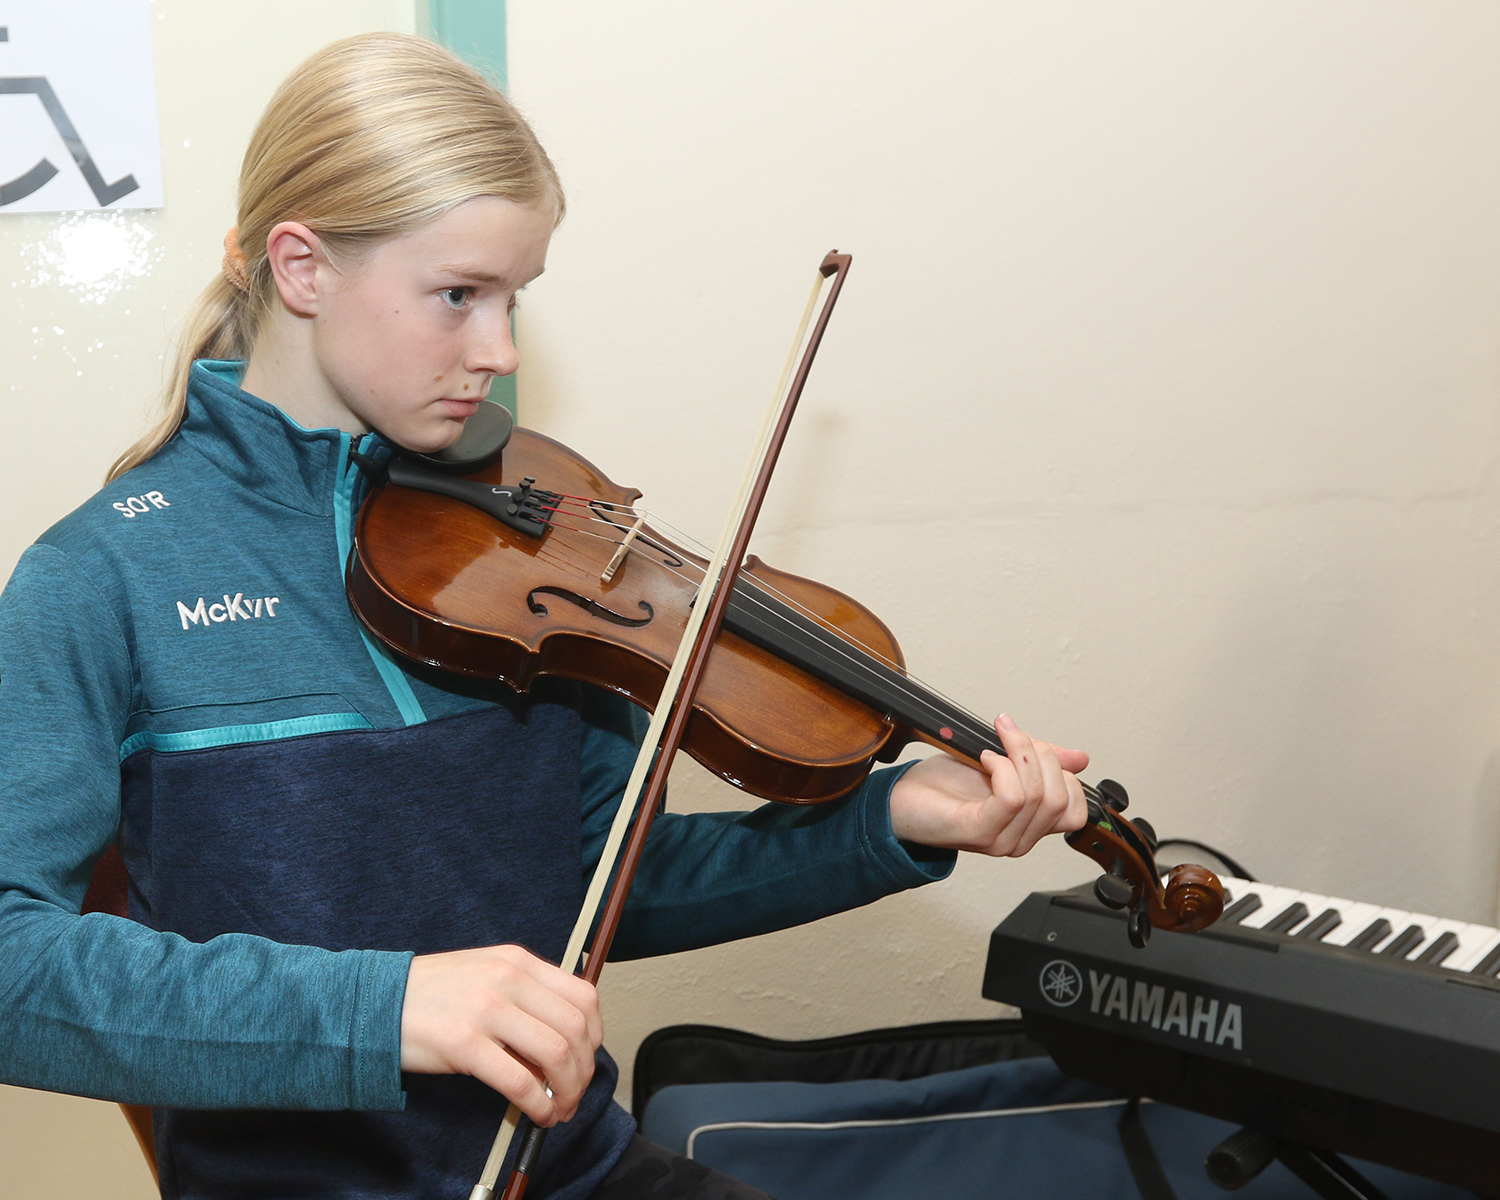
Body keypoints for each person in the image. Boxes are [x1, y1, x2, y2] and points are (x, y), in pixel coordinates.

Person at [0, 32, 1089, 1200]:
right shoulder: (100, 577)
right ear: (303, 268)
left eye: (514, 297)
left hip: (574, 1170)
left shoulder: (528, 547)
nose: (500, 351)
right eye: (458, 294)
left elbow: (604, 885)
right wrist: (389, 1008)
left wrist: (894, 822)